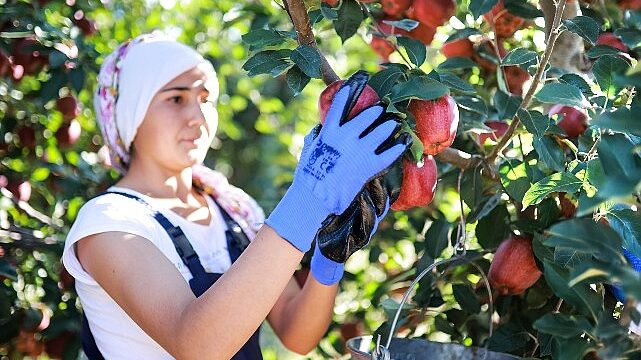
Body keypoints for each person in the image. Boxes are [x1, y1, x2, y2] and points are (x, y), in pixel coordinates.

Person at [62, 32, 411, 359]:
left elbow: (296, 333)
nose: (198, 117)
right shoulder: (109, 222)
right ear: (131, 113)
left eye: (204, 99)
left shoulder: (233, 210)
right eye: (176, 98)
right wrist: (307, 199)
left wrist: (329, 259)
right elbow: (197, 344)